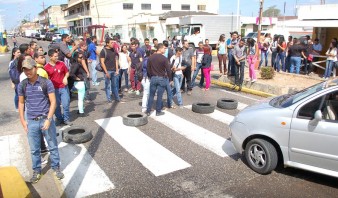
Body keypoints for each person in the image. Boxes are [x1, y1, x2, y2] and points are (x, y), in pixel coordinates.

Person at [18, 57, 64, 184]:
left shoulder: (46, 82)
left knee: (53, 146)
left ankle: (56, 167)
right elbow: (21, 104)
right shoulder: (22, 85)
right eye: (25, 70)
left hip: (45, 119)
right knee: (34, 149)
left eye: (30, 69)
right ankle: (37, 171)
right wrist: (23, 121)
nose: (28, 72)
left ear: (36, 68)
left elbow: (53, 101)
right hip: (31, 121)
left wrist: (49, 119)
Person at [44, 49, 71, 126]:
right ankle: (59, 118)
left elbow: (67, 72)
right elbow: (46, 79)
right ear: (50, 57)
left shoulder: (61, 64)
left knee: (66, 104)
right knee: (56, 105)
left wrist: (65, 77)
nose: (57, 57)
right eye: (55, 56)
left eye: (57, 56)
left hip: (63, 87)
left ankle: (66, 119)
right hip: (54, 89)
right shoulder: (46, 67)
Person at [146, 44, 172, 116]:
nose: (165, 50)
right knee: (159, 96)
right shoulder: (164, 58)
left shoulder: (150, 58)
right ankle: (158, 111)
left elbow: (148, 69)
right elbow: (168, 70)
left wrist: (150, 76)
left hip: (153, 78)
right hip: (161, 78)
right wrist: (170, 79)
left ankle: (148, 111)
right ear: (160, 49)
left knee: (151, 95)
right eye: (164, 48)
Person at [100, 38, 125, 103]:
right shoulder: (103, 51)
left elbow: (116, 60)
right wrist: (106, 72)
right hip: (107, 71)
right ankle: (109, 99)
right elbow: (102, 62)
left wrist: (117, 70)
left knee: (115, 85)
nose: (113, 44)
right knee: (108, 86)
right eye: (111, 43)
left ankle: (117, 98)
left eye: (113, 42)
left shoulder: (113, 50)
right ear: (107, 43)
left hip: (114, 71)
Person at [70, 52, 87, 116]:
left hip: (77, 83)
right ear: (76, 57)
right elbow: (71, 74)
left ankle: (79, 109)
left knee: (80, 98)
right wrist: (78, 78)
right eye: (80, 57)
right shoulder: (77, 65)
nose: (82, 58)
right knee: (81, 98)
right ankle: (81, 112)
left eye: (82, 57)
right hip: (79, 83)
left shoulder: (74, 64)